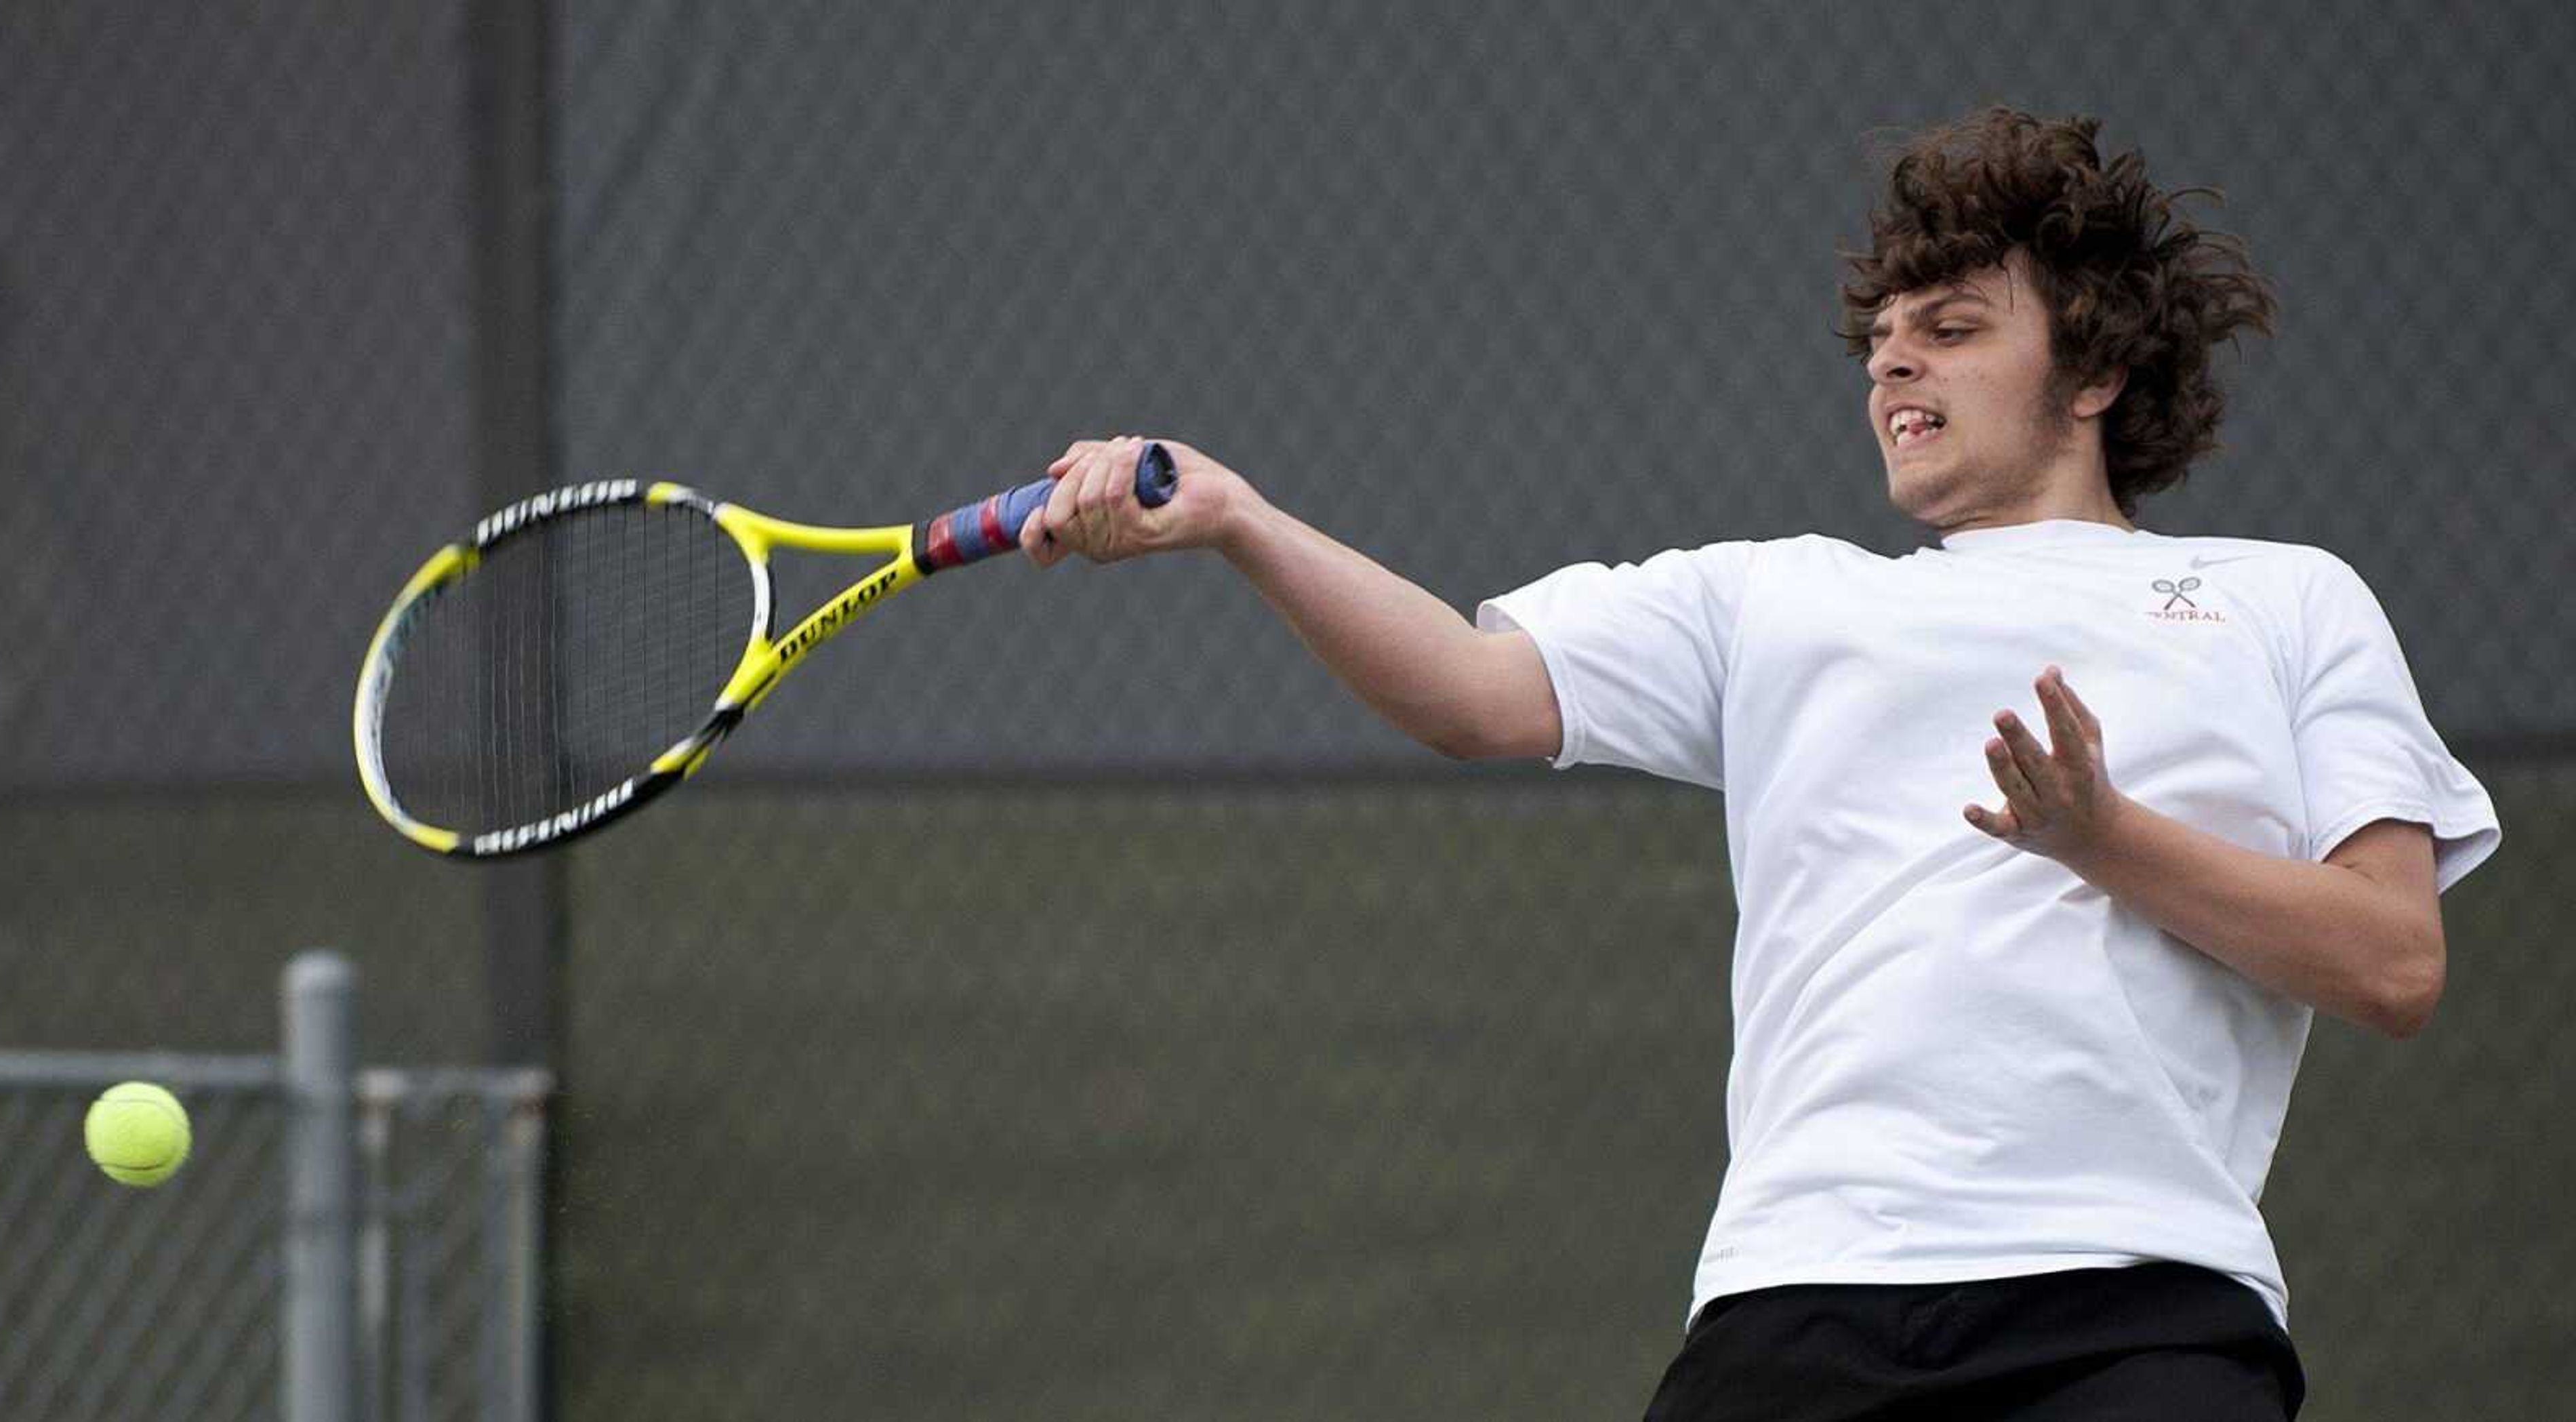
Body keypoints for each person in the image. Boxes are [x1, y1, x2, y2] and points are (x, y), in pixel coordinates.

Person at [1019, 106, 2501, 1420]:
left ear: (2098, 366)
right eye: (1884, 338)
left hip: (2141, 1304)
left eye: (1956, 325)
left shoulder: (2286, 597)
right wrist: (1240, 520)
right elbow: (1473, 693)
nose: (1897, 358)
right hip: (1797, 1301)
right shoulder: (1775, 598)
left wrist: (2106, 837)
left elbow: (2392, 961)